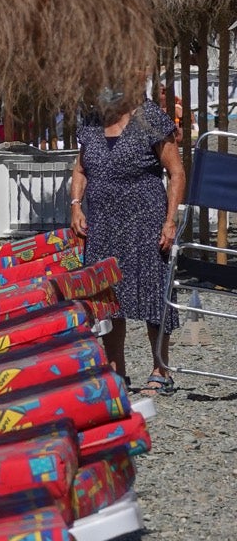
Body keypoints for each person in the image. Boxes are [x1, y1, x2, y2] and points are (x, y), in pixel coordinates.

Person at [70, 88, 185, 394]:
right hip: (102, 222)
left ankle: (162, 370)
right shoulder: (92, 121)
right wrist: (76, 205)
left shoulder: (152, 119)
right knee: (108, 295)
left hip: (145, 219)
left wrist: (170, 220)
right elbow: (81, 169)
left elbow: (176, 173)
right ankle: (116, 370)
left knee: (151, 291)